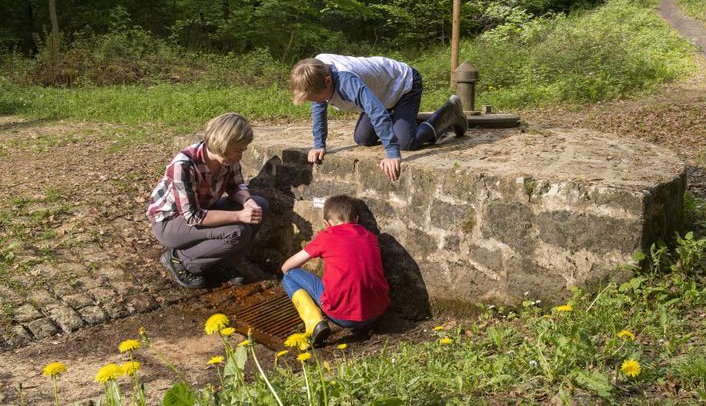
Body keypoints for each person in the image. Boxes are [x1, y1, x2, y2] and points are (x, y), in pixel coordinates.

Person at [290, 54, 468, 182]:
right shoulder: (317, 74)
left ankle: (449, 113)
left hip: (404, 84)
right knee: (363, 139)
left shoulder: (346, 81)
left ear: (328, 81)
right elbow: (319, 111)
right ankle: (402, 120)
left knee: (405, 142)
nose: (317, 103)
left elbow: (376, 112)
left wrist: (392, 153)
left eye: (317, 98)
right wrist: (319, 144)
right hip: (379, 95)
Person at [146, 113, 268, 289]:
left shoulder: (228, 159)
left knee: (260, 206)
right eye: (239, 149)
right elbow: (192, 216)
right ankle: (180, 260)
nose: (241, 156)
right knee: (237, 231)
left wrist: (248, 202)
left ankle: (224, 264)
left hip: (203, 209)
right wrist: (239, 215)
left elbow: (235, 186)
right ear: (225, 145)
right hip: (170, 222)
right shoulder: (184, 165)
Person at [281, 195, 390, 343]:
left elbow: (286, 267)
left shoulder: (327, 236)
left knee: (289, 276)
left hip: (343, 317)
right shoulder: (370, 236)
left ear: (327, 223)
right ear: (356, 219)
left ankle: (315, 322)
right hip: (376, 313)